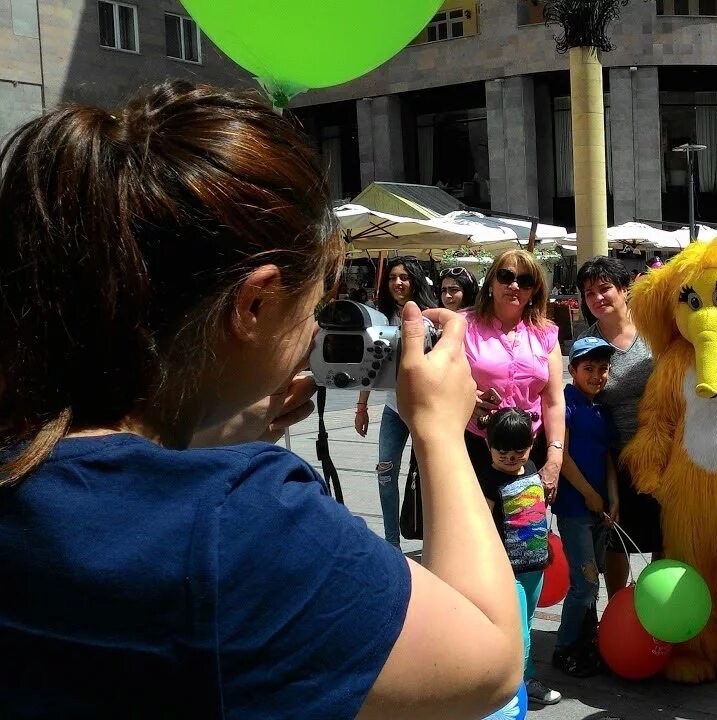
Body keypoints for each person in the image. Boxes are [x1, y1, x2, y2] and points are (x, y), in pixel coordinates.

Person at [0, 82, 522, 718]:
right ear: (254, 303)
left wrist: (201, 441)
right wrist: (439, 430)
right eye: (313, 310)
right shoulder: (244, 523)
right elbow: (489, 665)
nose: (312, 336)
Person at [575, 257, 664, 597]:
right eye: (589, 292)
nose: (597, 297)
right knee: (617, 537)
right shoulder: (588, 344)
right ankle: (616, 610)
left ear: (624, 289)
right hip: (616, 456)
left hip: (663, 450)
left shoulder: (655, 330)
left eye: (605, 288)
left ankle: (658, 609)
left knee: (664, 535)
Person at [463, 249, 566, 508]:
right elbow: (438, 383)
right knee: (476, 532)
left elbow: (553, 401)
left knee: (524, 538)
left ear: (534, 291)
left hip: (527, 450)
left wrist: (554, 456)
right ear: (491, 283)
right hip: (476, 444)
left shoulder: (546, 333)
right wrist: (464, 399)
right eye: (506, 276)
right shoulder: (463, 325)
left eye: (525, 280)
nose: (514, 285)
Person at [478, 409, 560, 706]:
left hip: (535, 564)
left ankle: (510, 679)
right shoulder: (488, 479)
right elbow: (482, 524)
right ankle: (522, 683)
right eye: (503, 451)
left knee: (526, 621)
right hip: (507, 569)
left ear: (532, 442)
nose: (511, 457)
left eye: (519, 450)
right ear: (489, 446)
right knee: (520, 631)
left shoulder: (533, 467)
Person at [355, 255, 437, 548]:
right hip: (392, 409)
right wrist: (362, 406)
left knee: (429, 477)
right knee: (385, 474)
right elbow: (370, 366)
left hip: (425, 411)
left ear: (414, 280)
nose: (398, 283)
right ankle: (392, 545)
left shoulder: (431, 317)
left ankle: (433, 543)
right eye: (392, 278)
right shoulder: (381, 319)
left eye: (403, 277)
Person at [551, 337, 620, 678]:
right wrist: (589, 495)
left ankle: (586, 640)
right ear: (572, 370)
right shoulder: (565, 403)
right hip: (575, 508)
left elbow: (608, 458)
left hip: (599, 510)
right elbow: (561, 457)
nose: (596, 376)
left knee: (591, 578)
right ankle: (564, 647)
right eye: (588, 369)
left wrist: (612, 497)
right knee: (585, 583)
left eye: (603, 369)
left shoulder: (601, 409)